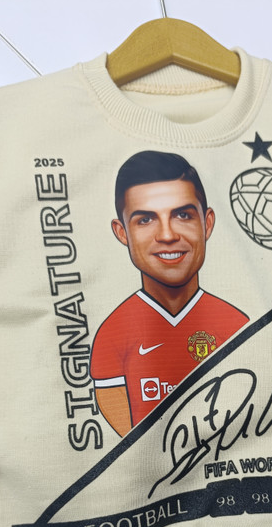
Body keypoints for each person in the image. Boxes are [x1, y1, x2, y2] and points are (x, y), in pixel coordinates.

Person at [90, 150, 249, 436]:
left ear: (207, 223)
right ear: (122, 232)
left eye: (182, 215)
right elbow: (130, 444)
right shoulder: (112, 335)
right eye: (145, 220)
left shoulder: (238, 326)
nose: (167, 235)